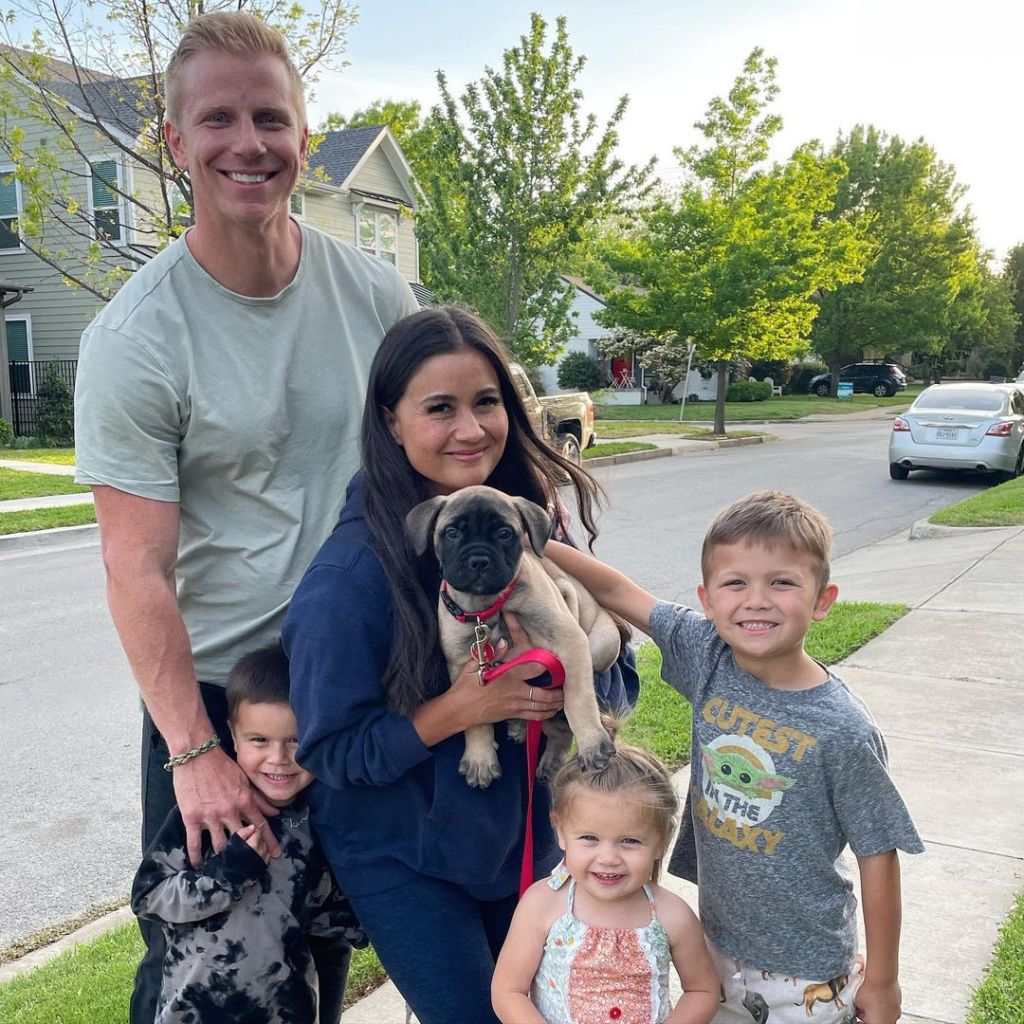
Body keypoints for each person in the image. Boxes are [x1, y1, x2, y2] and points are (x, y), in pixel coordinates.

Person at [72, 12, 419, 1022]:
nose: (248, 142)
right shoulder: (136, 336)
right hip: (228, 711)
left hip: (366, 690)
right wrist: (194, 752)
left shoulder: (378, 293)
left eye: (271, 116)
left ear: (305, 135)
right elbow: (134, 568)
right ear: (176, 145)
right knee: (203, 976)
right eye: (216, 119)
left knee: (321, 958)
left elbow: (443, 470)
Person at [282, 305, 639, 1024]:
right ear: (391, 421)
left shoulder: (523, 526)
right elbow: (329, 752)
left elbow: (618, 680)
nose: (471, 429)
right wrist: (463, 709)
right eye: (439, 408)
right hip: (406, 858)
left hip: (521, 837)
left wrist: (573, 673)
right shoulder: (350, 579)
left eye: (486, 402)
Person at [545, 491, 924, 1024]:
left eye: (783, 582)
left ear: (822, 599)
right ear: (707, 598)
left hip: (807, 968)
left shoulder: (843, 729)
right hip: (716, 945)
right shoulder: (708, 656)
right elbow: (613, 589)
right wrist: (533, 538)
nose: (757, 600)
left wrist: (883, 982)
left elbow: (878, 853)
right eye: (736, 583)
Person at [132, 642, 365, 1024]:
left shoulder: (314, 823)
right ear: (233, 737)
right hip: (196, 1011)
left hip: (285, 1009)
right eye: (260, 740)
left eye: (295, 740)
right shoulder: (206, 818)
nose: (279, 758)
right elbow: (149, 897)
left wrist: (364, 921)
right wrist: (225, 875)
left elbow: (318, 910)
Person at [491, 736, 720, 1024]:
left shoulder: (671, 915)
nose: (608, 857)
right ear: (560, 831)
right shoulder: (544, 905)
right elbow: (508, 990)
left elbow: (702, 990)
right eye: (589, 838)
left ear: (662, 840)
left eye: (629, 841)